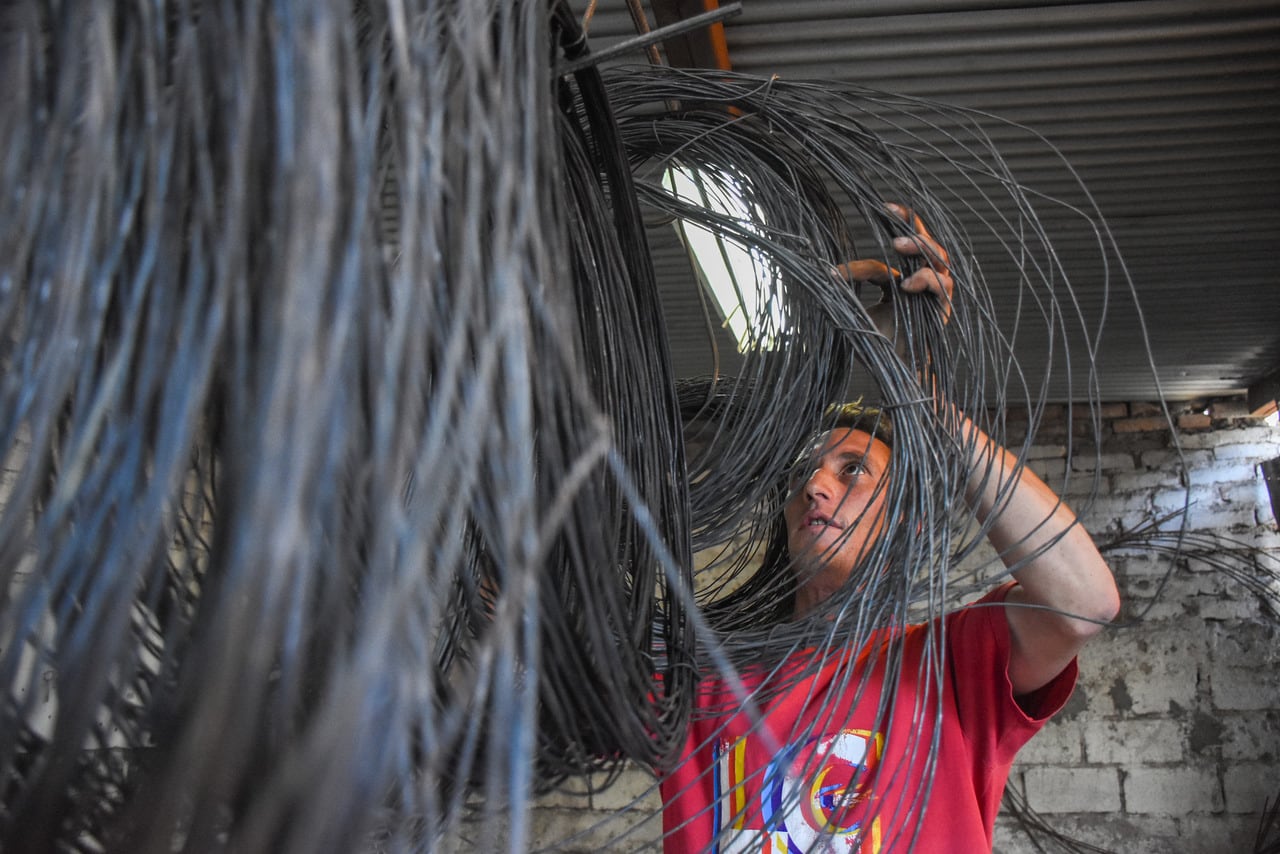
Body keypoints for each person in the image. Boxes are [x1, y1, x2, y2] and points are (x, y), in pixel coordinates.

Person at [658, 206, 1120, 852]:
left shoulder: (950, 664)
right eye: (804, 477)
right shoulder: (705, 680)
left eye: (852, 472)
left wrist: (916, 385)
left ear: (907, 517)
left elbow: (1084, 606)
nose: (815, 487)